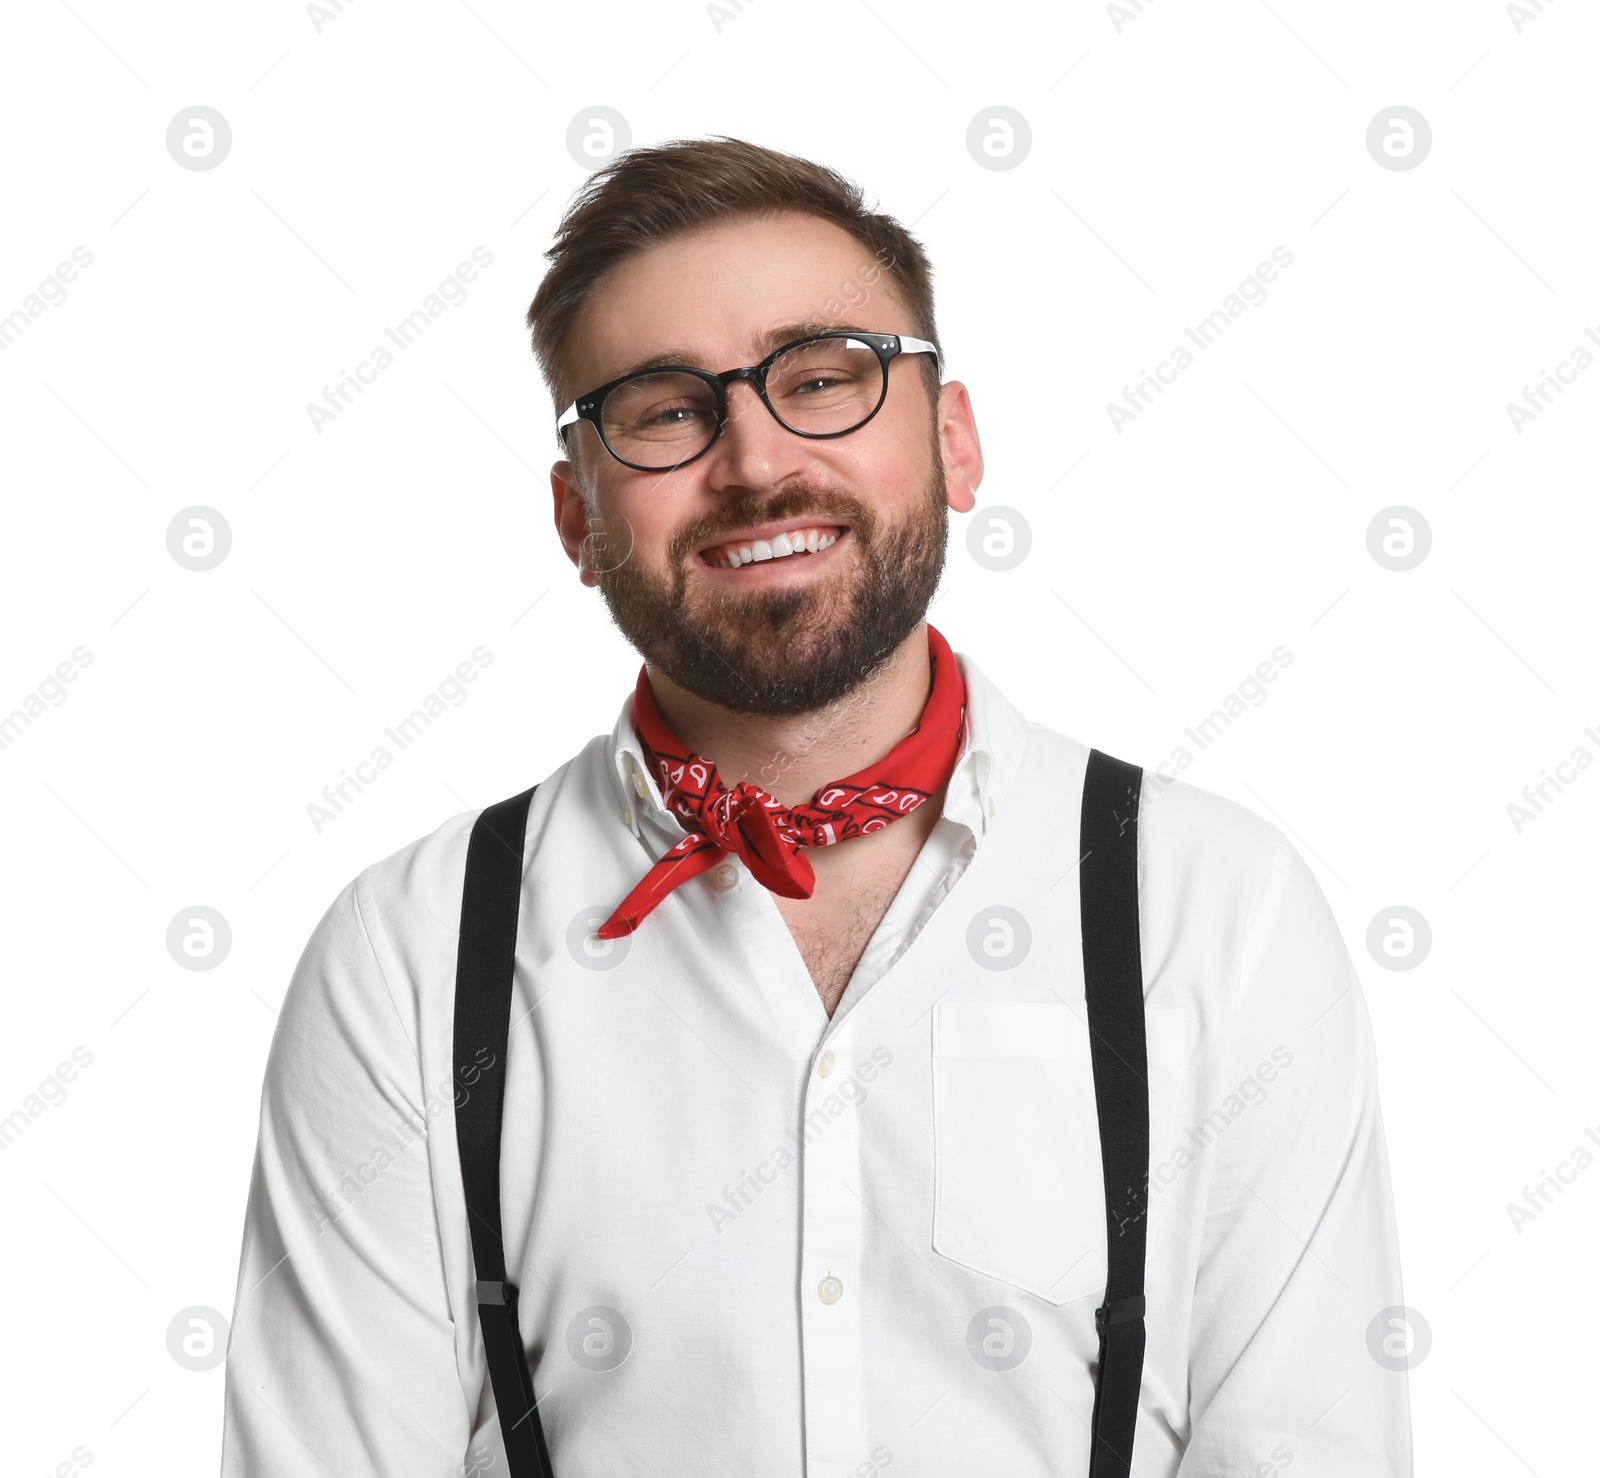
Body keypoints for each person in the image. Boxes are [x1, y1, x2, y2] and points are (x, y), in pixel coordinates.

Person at [221, 136, 1412, 1477]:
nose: (757, 458)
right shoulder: (409, 957)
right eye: (667, 408)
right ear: (576, 517)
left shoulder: (1213, 909)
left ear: (953, 439)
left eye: (824, 378)